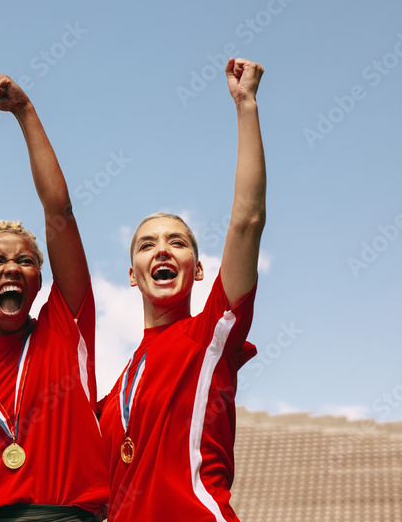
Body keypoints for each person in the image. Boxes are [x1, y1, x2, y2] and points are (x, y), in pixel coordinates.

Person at [0, 75, 108, 522]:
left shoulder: (65, 326)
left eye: (26, 260)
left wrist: (25, 113)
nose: (12, 267)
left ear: (41, 279)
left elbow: (59, 211)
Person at [100, 58, 266, 521]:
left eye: (177, 242)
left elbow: (248, 221)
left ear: (197, 270)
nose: (162, 252)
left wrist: (246, 105)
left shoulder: (208, 336)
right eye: (147, 245)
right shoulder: (116, 393)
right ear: (132, 274)